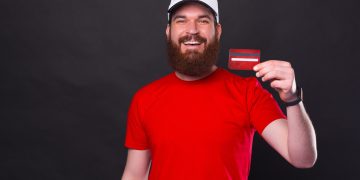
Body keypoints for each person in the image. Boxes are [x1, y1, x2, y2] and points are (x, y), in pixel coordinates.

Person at [122, 0, 317, 179]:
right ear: (168, 31)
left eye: (203, 21)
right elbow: (134, 174)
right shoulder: (145, 98)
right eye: (181, 21)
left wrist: (292, 99)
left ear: (218, 30)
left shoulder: (248, 92)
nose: (192, 30)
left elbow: (303, 159)